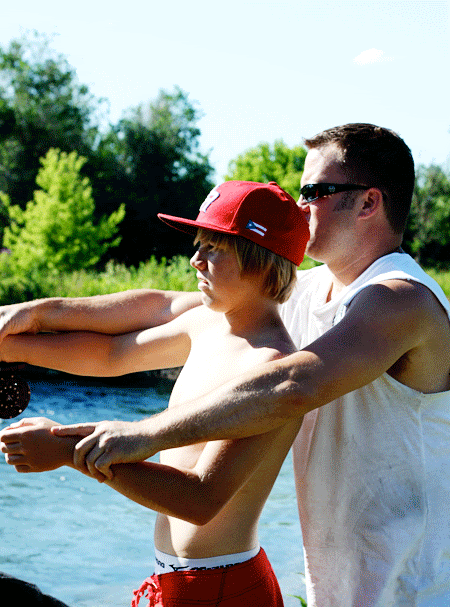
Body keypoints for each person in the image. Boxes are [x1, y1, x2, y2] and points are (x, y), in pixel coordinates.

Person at [1, 123, 449, 606]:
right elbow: (158, 309)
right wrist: (28, 321)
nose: (299, 206)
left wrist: (128, 437)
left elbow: (291, 386)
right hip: (339, 581)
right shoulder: (307, 291)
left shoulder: (399, 298)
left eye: (314, 192)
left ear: (368, 202)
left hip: (411, 588)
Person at [0, 180, 310, 607]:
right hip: (183, 580)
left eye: (214, 248)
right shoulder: (207, 324)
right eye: (199, 245)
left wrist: (67, 451)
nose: (195, 260)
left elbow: (201, 499)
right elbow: (110, 354)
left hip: (222, 590)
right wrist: (13, 346)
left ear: (262, 262)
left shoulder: (271, 367)